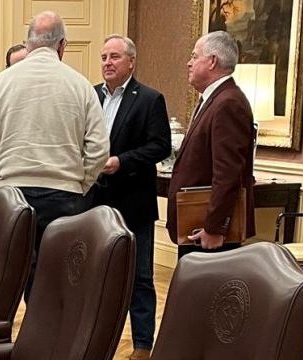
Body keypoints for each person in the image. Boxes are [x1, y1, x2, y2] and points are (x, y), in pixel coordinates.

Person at [0, 11, 109, 300]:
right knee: (58, 281)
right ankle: (50, 340)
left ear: (28, 44)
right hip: (65, 195)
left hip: (11, 193)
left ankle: (3, 340)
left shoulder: (1, 83)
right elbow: (99, 148)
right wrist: (81, 184)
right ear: (62, 46)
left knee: (6, 278)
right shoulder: (81, 85)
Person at [91, 34, 170, 360]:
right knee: (98, 277)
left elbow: (160, 146)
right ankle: (95, 339)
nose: (108, 63)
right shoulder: (90, 95)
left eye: (115, 57)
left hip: (133, 202)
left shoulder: (149, 99)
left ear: (131, 62)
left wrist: (122, 162)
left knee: (140, 278)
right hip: (94, 203)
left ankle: (141, 346)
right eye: (104, 57)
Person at [167, 31, 255, 259]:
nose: (189, 62)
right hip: (195, 224)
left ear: (212, 61)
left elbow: (227, 173)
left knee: (205, 293)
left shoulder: (228, 103)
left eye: (194, 56)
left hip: (209, 232)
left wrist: (215, 227)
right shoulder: (215, 100)